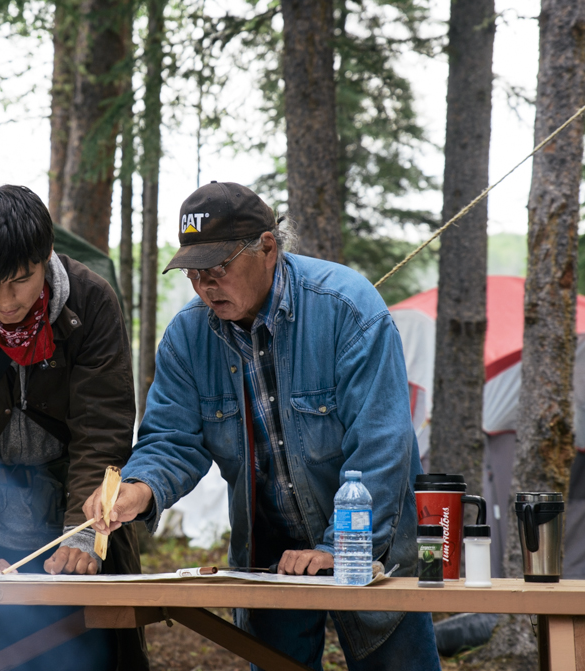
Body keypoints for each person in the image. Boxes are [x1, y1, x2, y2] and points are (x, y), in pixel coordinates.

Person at [86, 182, 440, 670]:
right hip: (268, 553)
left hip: (371, 541)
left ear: (268, 247)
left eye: (219, 268)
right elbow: (170, 438)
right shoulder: (187, 337)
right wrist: (139, 488)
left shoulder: (347, 308)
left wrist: (340, 547)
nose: (206, 285)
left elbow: (382, 443)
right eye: (194, 272)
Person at [0, 185, 147, 671]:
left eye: (20, 280)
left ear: (47, 255)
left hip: (78, 511)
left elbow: (102, 428)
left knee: (97, 656)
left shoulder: (91, 300)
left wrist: (82, 535)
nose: (5, 300)